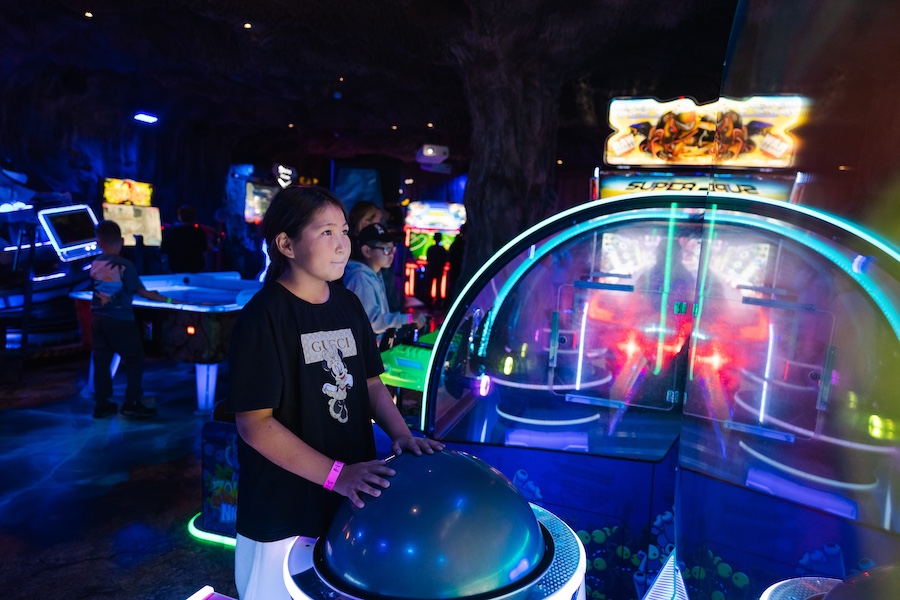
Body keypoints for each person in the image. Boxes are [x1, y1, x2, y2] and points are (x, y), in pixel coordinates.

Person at [225, 185, 444, 600]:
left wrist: (402, 435)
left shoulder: (347, 303)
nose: (343, 244)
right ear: (286, 244)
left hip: (349, 495)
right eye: (326, 232)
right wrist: (337, 475)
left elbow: (371, 383)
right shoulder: (263, 317)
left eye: (344, 231)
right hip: (286, 506)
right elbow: (254, 424)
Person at [90, 220, 171, 419]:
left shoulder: (96, 263)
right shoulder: (125, 265)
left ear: (99, 242)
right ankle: (131, 402)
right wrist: (168, 299)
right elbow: (143, 292)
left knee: (102, 361)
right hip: (120, 319)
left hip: (98, 318)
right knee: (135, 359)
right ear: (121, 241)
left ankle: (102, 404)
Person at [344, 223, 428, 338]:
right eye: (386, 250)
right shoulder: (360, 277)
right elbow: (373, 321)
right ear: (367, 251)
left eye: (393, 249)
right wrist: (409, 318)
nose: (391, 255)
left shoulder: (375, 274)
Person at [160, 203, 209, 273]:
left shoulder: (173, 232)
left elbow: (164, 250)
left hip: (176, 269)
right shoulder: (199, 232)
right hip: (196, 268)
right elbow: (204, 251)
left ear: (179, 216)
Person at [423, 231, 448, 307]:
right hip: (439, 270)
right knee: (438, 287)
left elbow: (428, 260)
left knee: (429, 287)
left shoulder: (431, 249)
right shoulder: (442, 250)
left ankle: (428, 303)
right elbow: (445, 260)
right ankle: (437, 304)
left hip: (431, 270)